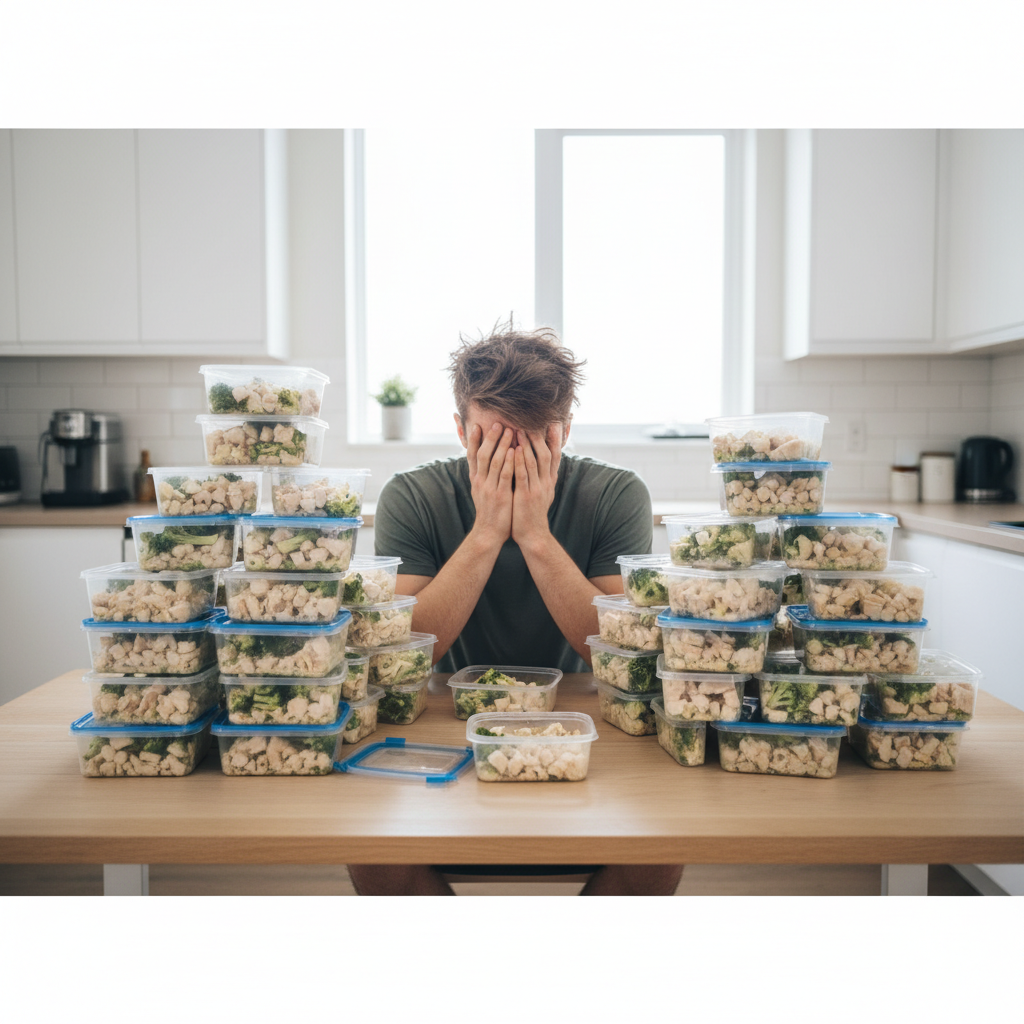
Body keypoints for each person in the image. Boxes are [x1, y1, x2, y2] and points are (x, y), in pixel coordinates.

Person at [347, 324, 683, 896]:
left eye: (535, 444)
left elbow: (623, 652)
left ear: (566, 431)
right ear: (460, 431)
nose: (514, 461)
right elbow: (401, 655)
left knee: (660, 849)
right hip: (443, 724)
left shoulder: (615, 493)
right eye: (494, 442)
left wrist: (534, 535)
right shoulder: (412, 496)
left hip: (588, 725)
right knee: (374, 852)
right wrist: (484, 534)